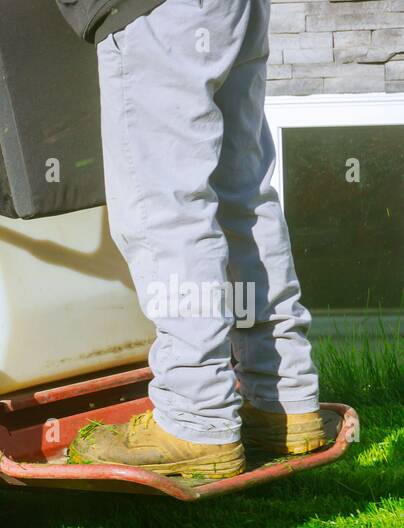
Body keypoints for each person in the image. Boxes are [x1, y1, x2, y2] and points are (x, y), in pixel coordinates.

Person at [58, 0, 329, 477]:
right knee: (241, 196)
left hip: (153, 12)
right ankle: (280, 397)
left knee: (164, 209)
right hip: (230, 10)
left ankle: (196, 418)